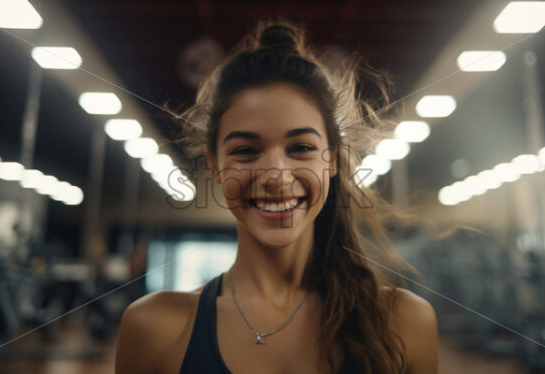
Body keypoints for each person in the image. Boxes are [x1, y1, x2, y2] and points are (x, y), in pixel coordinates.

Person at [115, 20, 438, 374]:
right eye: (246, 150)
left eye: (300, 147)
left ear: (331, 159)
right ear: (216, 167)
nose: (275, 176)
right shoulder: (154, 327)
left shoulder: (404, 323)